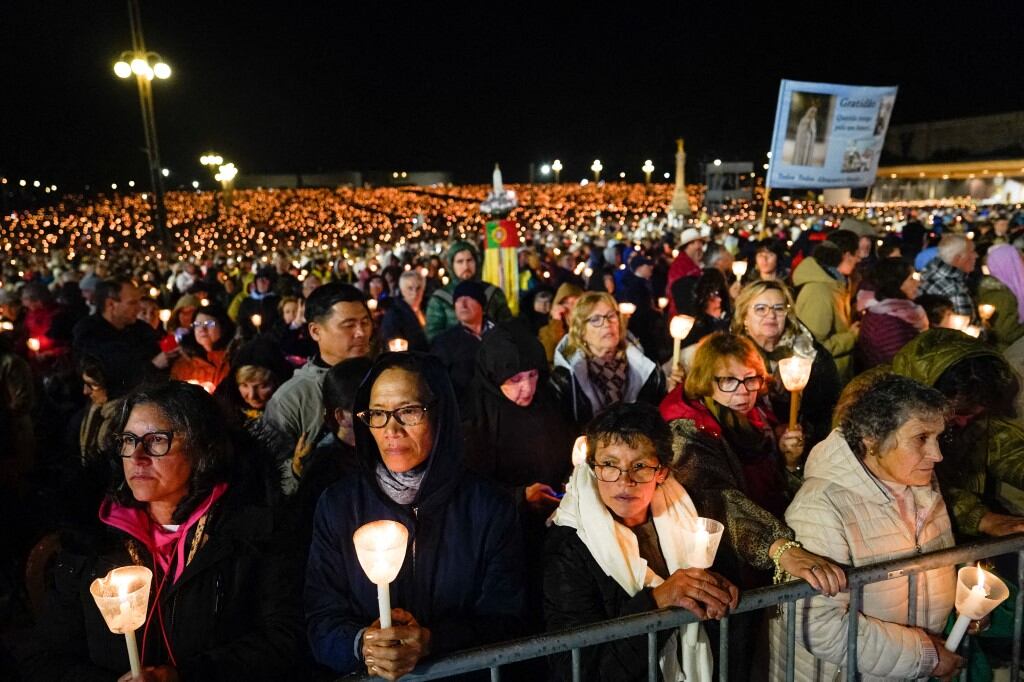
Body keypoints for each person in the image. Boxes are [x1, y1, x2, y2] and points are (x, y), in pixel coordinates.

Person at [13, 382, 306, 681]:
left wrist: (184, 676)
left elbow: (282, 640)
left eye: (156, 440)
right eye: (128, 440)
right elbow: (45, 655)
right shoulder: (92, 534)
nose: (137, 456)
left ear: (203, 449)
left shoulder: (251, 529)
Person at [305, 352, 525, 679]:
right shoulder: (340, 505)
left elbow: (506, 617)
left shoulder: (489, 507)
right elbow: (320, 615)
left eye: (408, 412)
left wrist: (432, 641)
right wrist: (363, 645)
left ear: (441, 415)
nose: (391, 429)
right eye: (377, 413)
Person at [771, 374, 960, 681]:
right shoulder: (821, 506)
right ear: (873, 438)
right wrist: (925, 655)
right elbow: (817, 625)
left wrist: (962, 613)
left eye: (939, 438)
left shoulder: (923, 488)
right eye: (921, 438)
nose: (937, 455)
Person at [544, 402, 740, 682]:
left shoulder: (686, 512)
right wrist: (656, 602)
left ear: (661, 471)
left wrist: (715, 588)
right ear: (593, 466)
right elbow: (576, 667)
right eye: (610, 465)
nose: (625, 481)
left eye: (640, 466)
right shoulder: (569, 545)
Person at [891, 328, 1024, 537]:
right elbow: (902, 485)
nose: (963, 422)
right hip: (904, 533)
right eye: (957, 413)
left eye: (973, 415)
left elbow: (1002, 447)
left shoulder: (974, 400)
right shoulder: (882, 411)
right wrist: (980, 518)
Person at [263, 282, 373, 495]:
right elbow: (269, 477)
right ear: (315, 331)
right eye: (348, 325)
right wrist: (296, 469)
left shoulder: (386, 377)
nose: (360, 332)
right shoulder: (292, 398)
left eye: (365, 322)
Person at [732, 281, 840, 448]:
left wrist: (803, 433)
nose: (771, 315)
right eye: (761, 308)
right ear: (744, 316)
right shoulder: (728, 358)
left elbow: (827, 412)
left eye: (778, 308)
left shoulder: (811, 355)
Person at [551, 291, 666, 428]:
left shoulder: (646, 367)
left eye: (611, 316)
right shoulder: (567, 378)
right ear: (581, 331)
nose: (606, 324)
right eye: (595, 319)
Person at [72, 278, 168, 391]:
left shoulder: (140, 327)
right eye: (132, 303)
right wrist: (153, 366)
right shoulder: (88, 333)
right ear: (111, 304)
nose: (138, 308)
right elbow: (111, 376)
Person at [792, 230, 861, 383]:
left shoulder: (836, 284)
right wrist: (852, 336)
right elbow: (815, 346)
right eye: (857, 255)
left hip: (837, 372)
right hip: (827, 378)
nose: (858, 260)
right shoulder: (818, 291)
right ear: (847, 255)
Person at [429, 280, 494, 417]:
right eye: (458, 300)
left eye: (469, 298)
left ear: (481, 303)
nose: (463, 304)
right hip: (465, 415)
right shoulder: (444, 342)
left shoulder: (501, 336)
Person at [424, 240, 512, 340]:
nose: (465, 266)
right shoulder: (440, 299)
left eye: (469, 260)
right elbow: (433, 336)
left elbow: (508, 327)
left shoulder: (493, 293)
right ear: (452, 265)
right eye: (460, 262)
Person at [856, 258, 928, 369]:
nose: (918, 283)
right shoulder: (887, 324)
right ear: (896, 283)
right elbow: (902, 366)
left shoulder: (896, 312)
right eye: (911, 279)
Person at [169, 304, 236, 391]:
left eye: (209, 324)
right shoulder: (184, 362)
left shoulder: (234, 359)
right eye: (197, 324)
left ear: (222, 326)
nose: (202, 329)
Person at [918, 233, 977, 317]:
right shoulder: (955, 290)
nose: (976, 256)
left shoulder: (928, 273)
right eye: (972, 252)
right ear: (958, 258)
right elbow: (967, 326)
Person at [978, 244, 1024, 349]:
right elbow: (1008, 334)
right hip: (1011, 354)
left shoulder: (1012, 288)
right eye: (1020, 260)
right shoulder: (999, 296)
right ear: (1010, 265)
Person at [380, 269, 429, 352]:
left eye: (418, 288)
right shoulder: (394, 314)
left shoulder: (427, 308)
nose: (415, 292)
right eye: (410, 288)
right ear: (402, 290)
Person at [538, 282, 582, 364]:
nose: (570, 307)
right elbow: (549, 356)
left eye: (574, 302)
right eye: (565, 302)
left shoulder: (591, 327)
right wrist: (556, 322)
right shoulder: (546, 331)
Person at [666, 228, 706, 317]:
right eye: (698, 243)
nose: (700, 247)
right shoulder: (679, 265)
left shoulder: (696, 263)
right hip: (682, 314)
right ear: (689, 245)